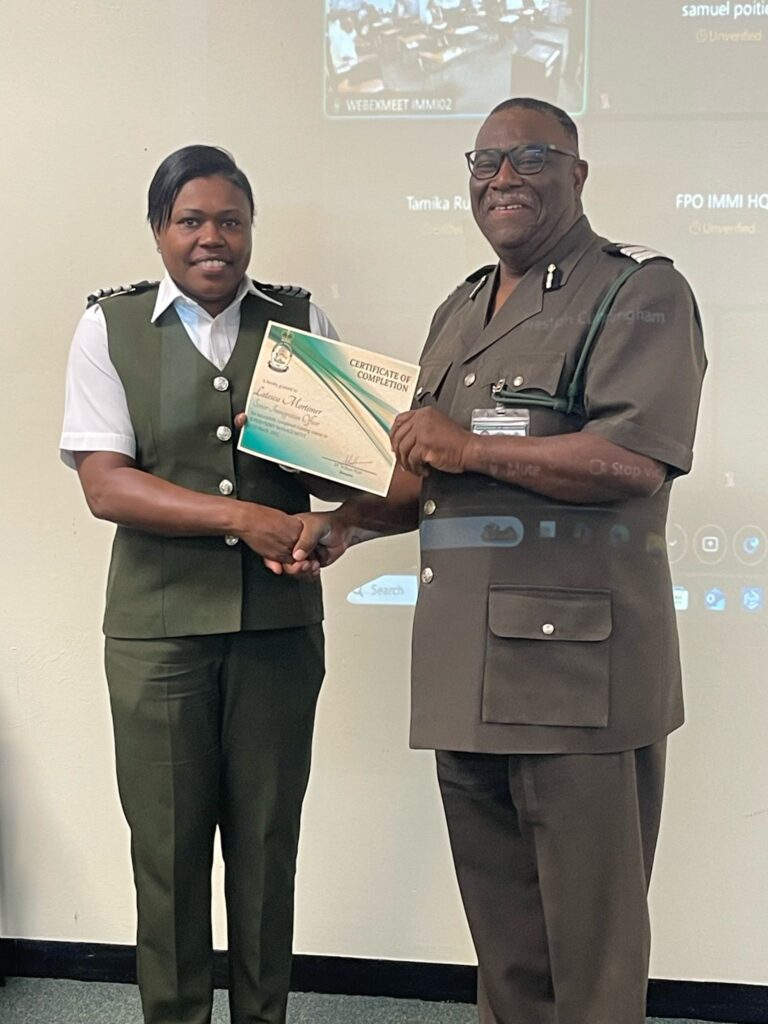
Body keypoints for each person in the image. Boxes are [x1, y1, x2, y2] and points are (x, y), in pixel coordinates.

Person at [283, 97, 706, 1024]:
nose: (503, 179)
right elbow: (426, 475)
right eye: (485, 163)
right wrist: (348, 523)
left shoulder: (638, 291)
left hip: (576, 679)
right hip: (464, 672)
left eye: (530, 158)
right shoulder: (461, 307)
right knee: (506, 947)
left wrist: (469, 446)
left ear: (578, 175)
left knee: (591, 953)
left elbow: (635, 460)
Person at [60, 144, 340, 1024]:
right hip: (158, 634)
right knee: (169, 851)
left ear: (251, 230)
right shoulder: (108, 326)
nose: (212, 237)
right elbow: (106, 485)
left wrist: (299, 440)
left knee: (267, 846)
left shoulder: (299, 319)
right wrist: (242, 516)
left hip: (276, 631)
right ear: (159, 230)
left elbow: (346, 474)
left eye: (230, 220)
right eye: (191, 220)